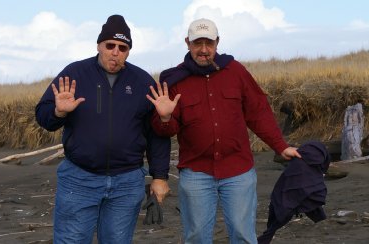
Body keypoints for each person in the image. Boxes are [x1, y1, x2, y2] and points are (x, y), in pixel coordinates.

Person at [146, 18, 301, 244]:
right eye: (197, 43)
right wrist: (165, 116)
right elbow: (165, 131)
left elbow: (258, 113)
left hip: (238, 170)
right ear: (187, 43)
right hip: (196, 172)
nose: (204, 50)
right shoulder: (174, 80)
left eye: (209, 43)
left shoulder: (235, 71)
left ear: (217, 42)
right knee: (197, 236)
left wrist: (281, 146)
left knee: (243, 235)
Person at [35, 14, 170, 244]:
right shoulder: (75, 74)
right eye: (110, 45)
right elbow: (43, 117)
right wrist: (59, 112)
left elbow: (157, 135)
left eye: (122, 47)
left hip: (126, 183)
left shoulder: (141, 81)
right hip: (79, 179)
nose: (115, 52)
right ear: (99, 45)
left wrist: (159, 177)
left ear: (128, 51)